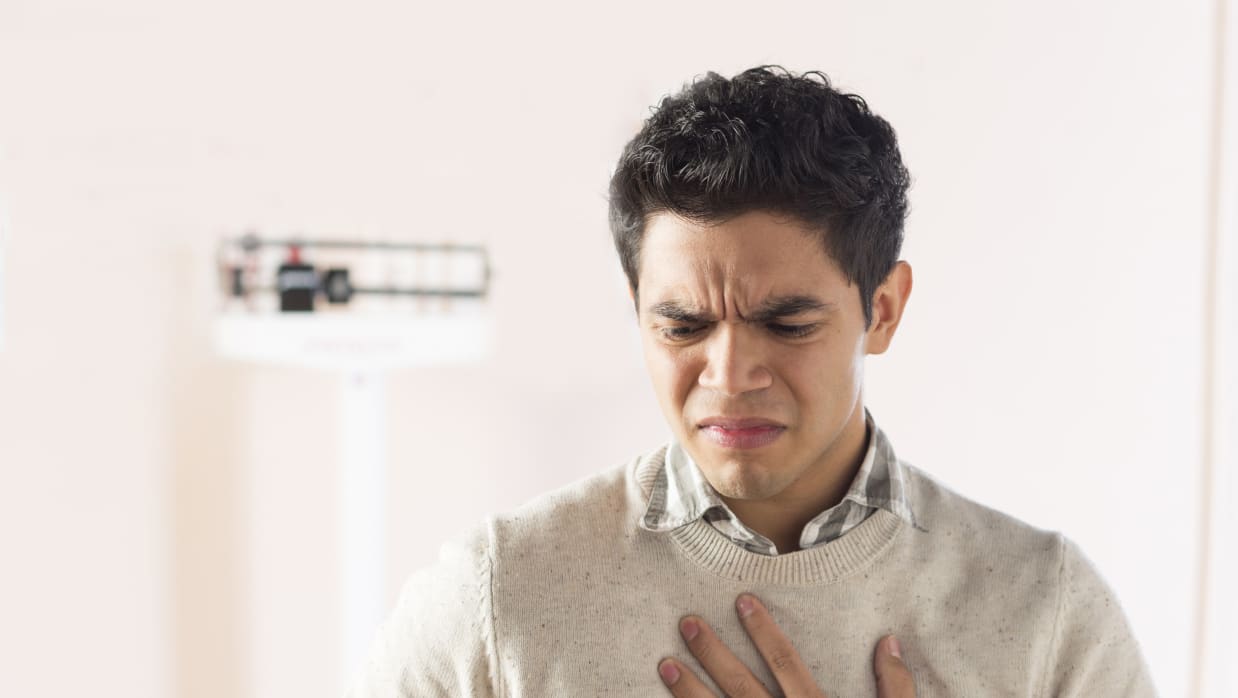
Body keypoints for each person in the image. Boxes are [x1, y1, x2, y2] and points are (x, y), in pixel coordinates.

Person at [347, 66, 1155, 697]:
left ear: (882, 309)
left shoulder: (1044, 610)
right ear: (635, 310)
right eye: (682, 326)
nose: (729, 374)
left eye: (787, 323)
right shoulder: (498, 596)